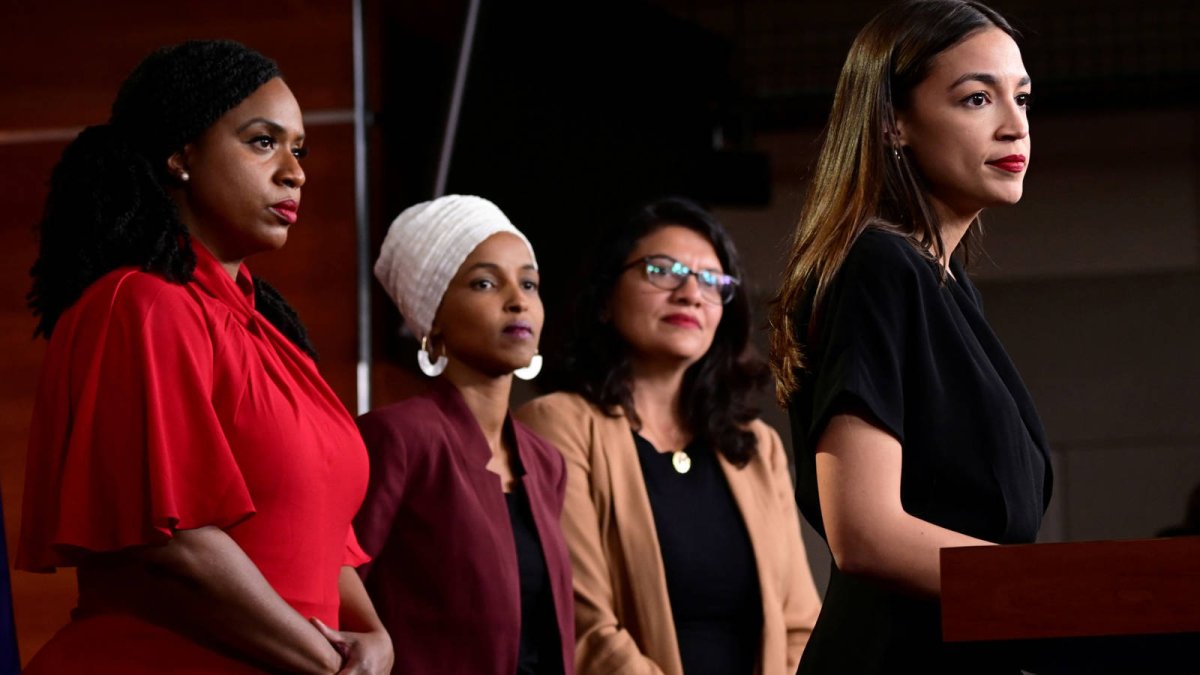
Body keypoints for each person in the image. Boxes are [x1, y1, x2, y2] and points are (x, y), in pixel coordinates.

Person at [17, 40, 391, 674]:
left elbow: (321, 534)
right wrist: (328, 663)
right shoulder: (141, 305)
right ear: (181, 154)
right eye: (263, 142)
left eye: (299, 149)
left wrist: (375, 636)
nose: (295, 172)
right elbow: (173, 545)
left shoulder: (272, 333)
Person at [767, 1, 1053, 672]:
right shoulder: (877, 265)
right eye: (976, 98)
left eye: (1021, 98)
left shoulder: (948, 286)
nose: (1014, 125)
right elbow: (865, 532)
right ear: (892, 123)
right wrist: (1054, 592)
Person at [518, 197, 821, 675]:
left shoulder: (756, 447)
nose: (691, 293)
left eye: (712, 281)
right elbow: (585, 626)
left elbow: (800, 626)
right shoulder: (556, 425)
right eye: (662, 271)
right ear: (605, 298)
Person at [356, 194, 574, 675]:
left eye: (529, 284)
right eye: (484, 283)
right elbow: (337, 592)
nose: (518, 301)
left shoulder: (546, 463)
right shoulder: (398, 438)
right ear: (432, 317)